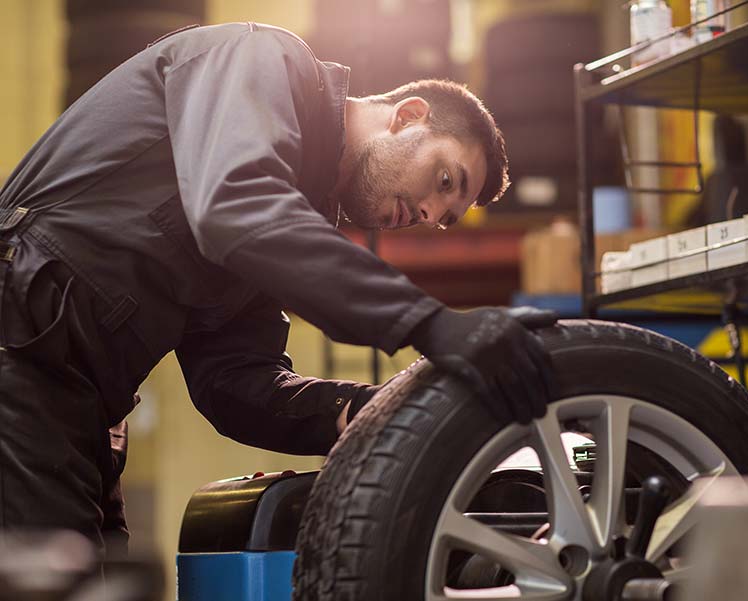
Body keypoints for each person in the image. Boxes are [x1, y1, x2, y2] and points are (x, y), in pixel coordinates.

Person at [0, 22, 556, 554]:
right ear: (408, 116)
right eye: (443, 180)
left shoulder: (283, 215)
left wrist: (370, 408)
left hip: (75, 402)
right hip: (20, 340)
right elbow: (235, 208)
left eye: (445, 218)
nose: (430, 212)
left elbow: (233, 380)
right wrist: (431, 323)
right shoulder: (262, 61)